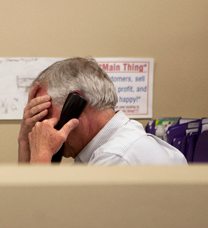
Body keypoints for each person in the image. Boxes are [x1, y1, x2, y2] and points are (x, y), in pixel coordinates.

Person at [18, 57, 187, 165]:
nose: (39, 128)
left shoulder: (115, 158)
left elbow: (43, 218)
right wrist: (25, 141)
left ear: (75, 105)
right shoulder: (99, 152)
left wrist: (41, 159)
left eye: (45, 115)